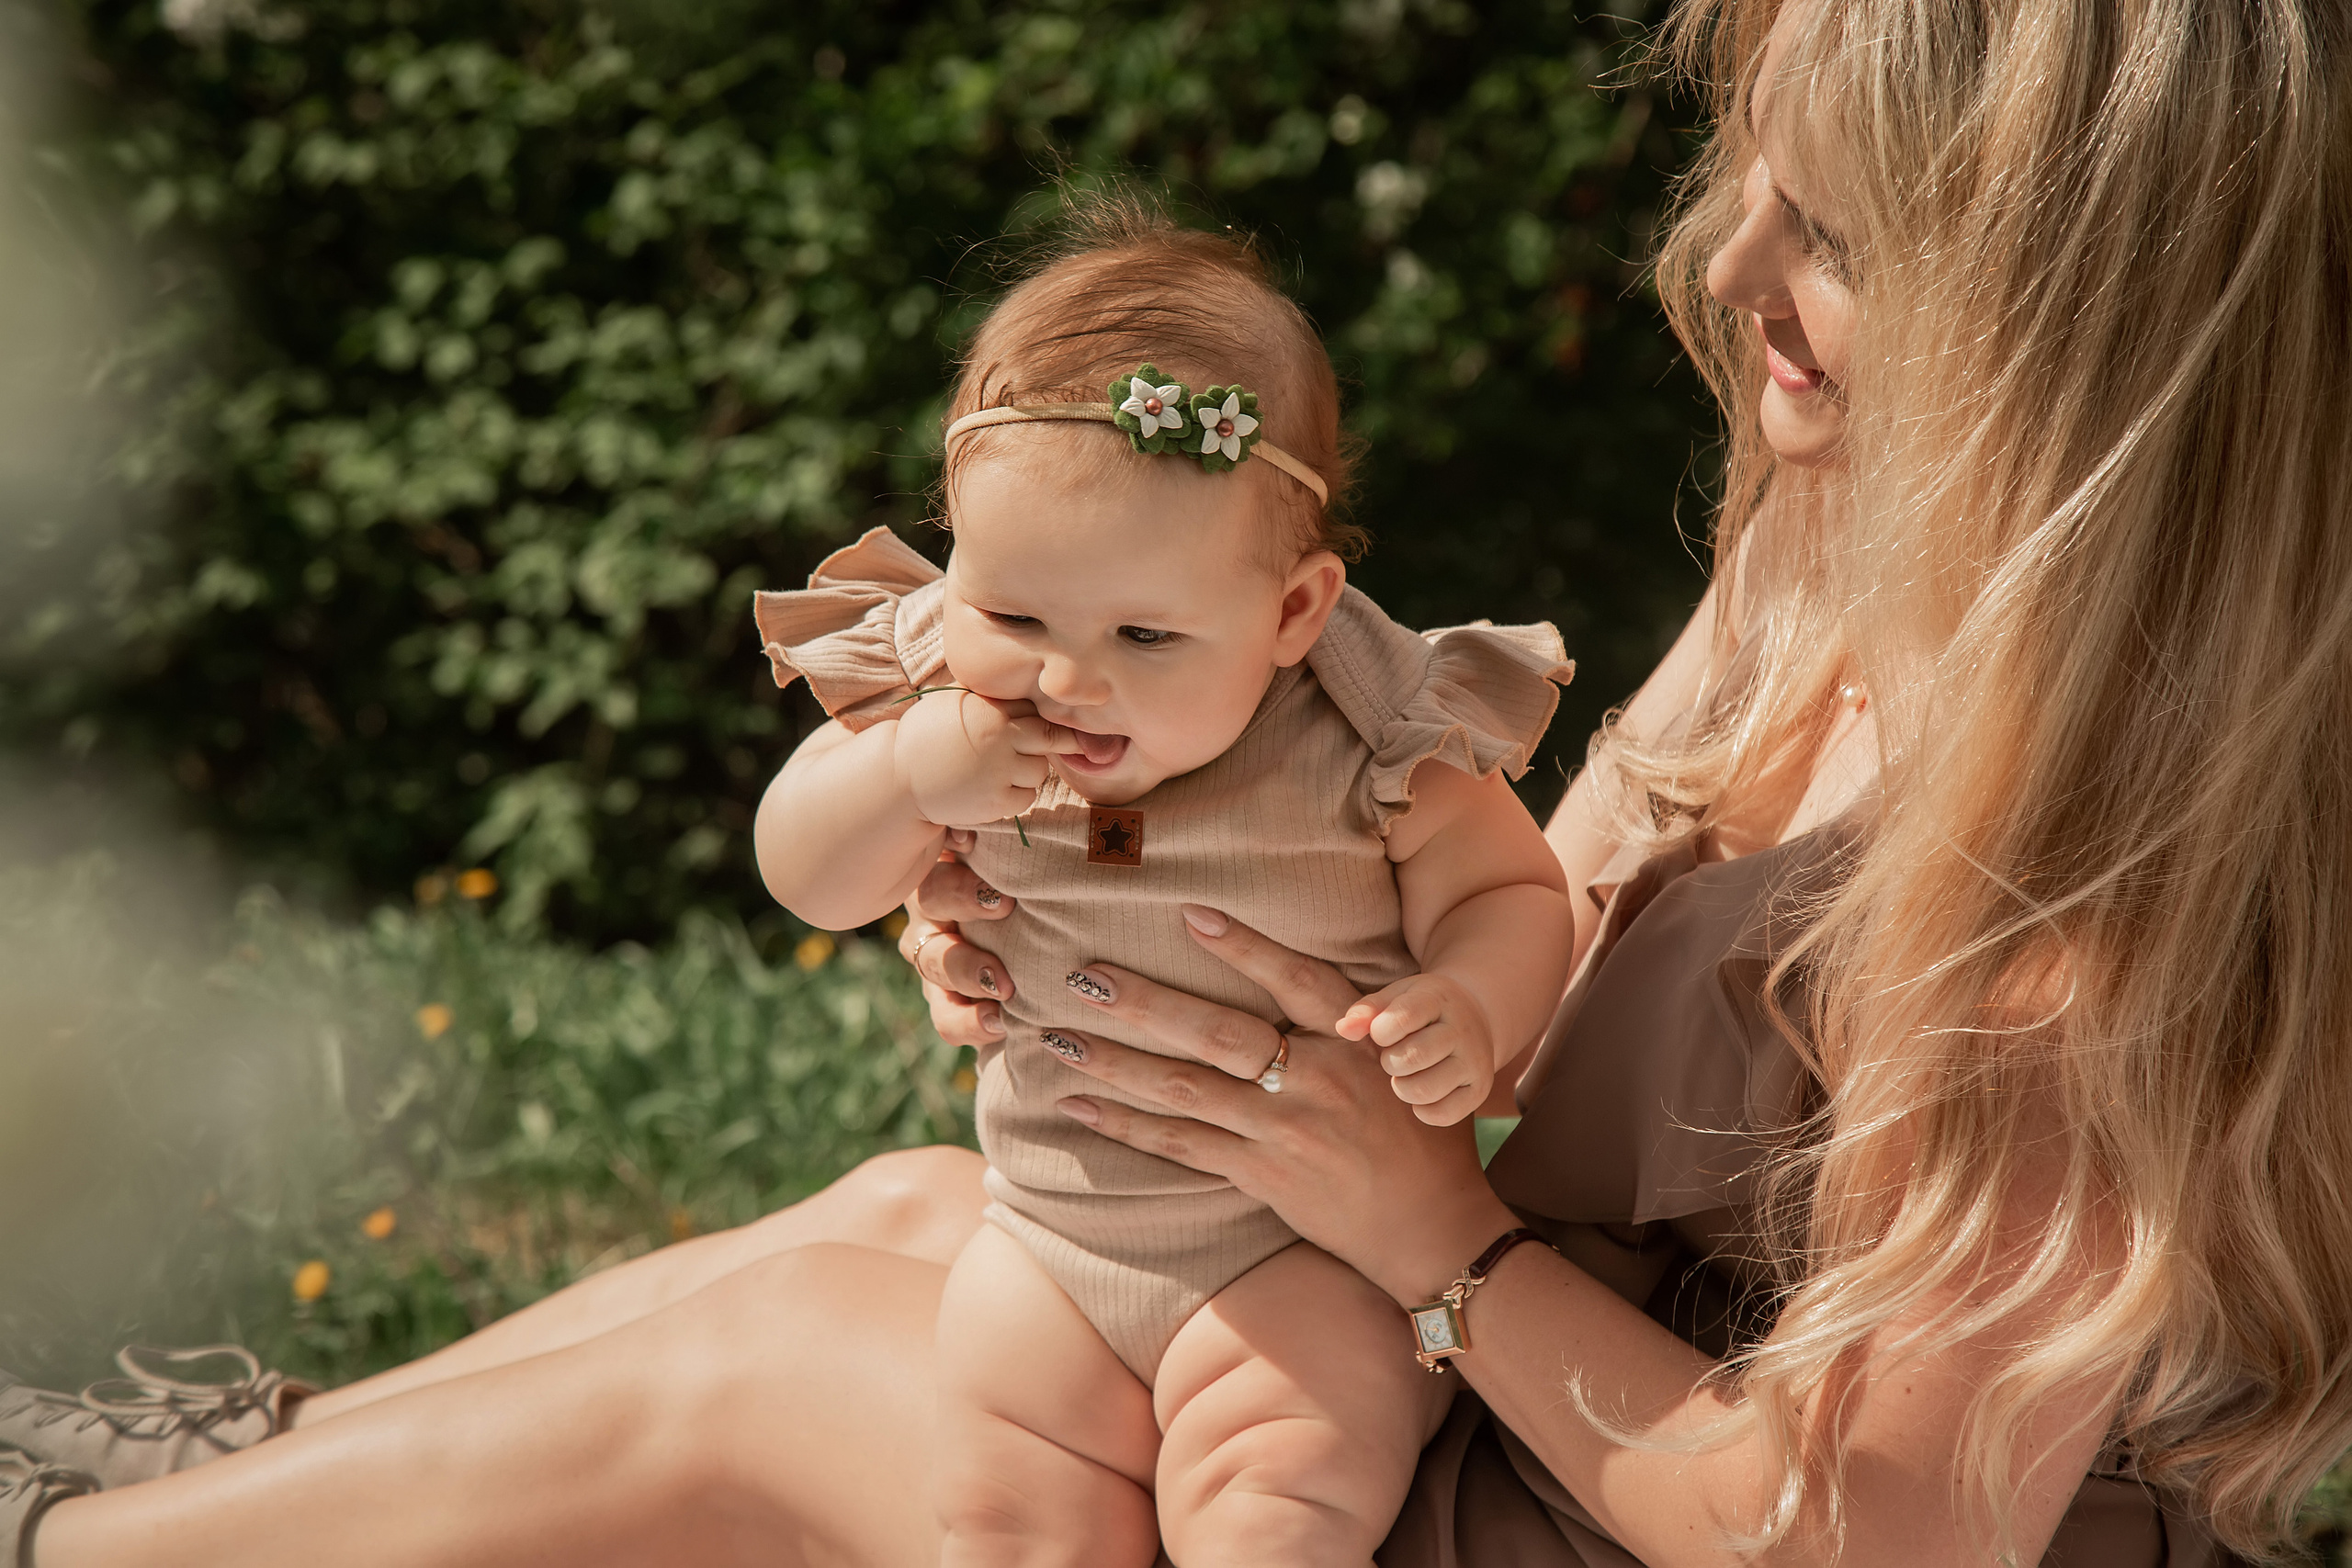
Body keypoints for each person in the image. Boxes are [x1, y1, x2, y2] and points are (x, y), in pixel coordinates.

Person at [6, 0, 2349, 1561]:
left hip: (1638, 1493)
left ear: (2050, 311)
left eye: (1821, 232)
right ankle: (214, 1469)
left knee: (804, 1358)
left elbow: (1868, 1536)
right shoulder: (1840, 567)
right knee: (886, 1215)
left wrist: (1434, 1246)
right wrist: (1144, 928)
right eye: (1749, 175)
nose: (1718, 256)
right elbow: (1528, 923)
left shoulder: (2084, 888)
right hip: (1522, 1373)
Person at [748, 217, 1575, 1565]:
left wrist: (1472, 1004)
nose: (1066, 681)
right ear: (957, 560)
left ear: (1294, 611)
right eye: (1016, 618)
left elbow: (1517, 895)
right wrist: (906, 773)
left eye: (1144, 636)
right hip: (1047, 1243)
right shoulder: (937, 701)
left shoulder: (1375, 730)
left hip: (1301, 1259)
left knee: (1277, 1506)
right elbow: (804, 873)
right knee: (1009, 1519)